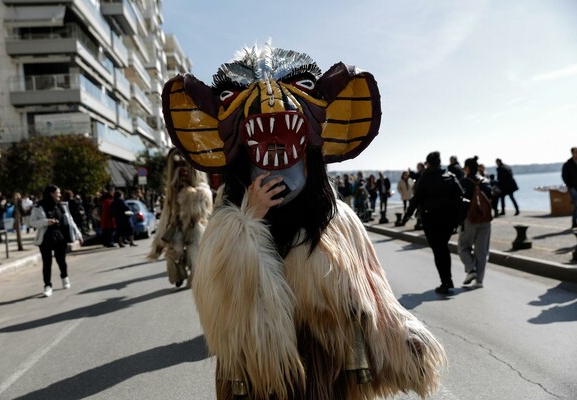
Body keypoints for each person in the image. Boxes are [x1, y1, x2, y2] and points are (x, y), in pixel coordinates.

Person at [162, 43, 445, 399]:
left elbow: (371, 285)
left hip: (329, 364)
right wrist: (249, 219)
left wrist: (398, 332)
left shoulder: (337, 219)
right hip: (258, 372)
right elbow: (219, 297)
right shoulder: (228, 218)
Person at [148, 149, 213, 287]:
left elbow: (202, 208)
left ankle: (195, 276)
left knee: (194, 250)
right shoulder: (173, 188)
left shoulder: (202, 190)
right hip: (176, 222)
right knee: (174, 250)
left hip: (194, 224)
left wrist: (190, 195)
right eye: (178, 164)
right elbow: (169, 209)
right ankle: (177, 273)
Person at [402, 151, 464, 295]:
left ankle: (446, 281)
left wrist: (406, 216)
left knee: (439, 250)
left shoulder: (425, 178)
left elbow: (416, 199)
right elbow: (460, 195)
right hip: (449, 220)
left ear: (428, 164)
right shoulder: (450, 176)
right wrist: (460, 219)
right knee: (443, 248)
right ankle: (447, 280)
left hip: (431, 220)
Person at [30, 185, 83, 297]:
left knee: (61, 260)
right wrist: (45, 222)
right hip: (45, 238)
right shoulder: (39, 206)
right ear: (51, 193)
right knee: (47, 263)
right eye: (58, 193)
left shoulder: (62, 205)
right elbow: (32, 222)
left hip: (60, 237)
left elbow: (70, 220)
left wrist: (78, 234)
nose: (60, 195)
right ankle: (47, 286)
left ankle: (64, 276)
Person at [458, 156, 492, 289]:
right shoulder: (485, 181)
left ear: (467, 168)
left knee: (463, 247)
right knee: (482, 251)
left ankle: (471, 269)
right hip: (485, 219)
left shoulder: (464, 182)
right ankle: (479, 281)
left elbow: (460, 202)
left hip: (470, 220)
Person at [562, 147, 577, 228]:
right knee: (576, 204)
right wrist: (569, 185)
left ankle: (574, 222)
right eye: (576, 152)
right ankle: (574, 222)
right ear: (572, 153)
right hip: (572, 187)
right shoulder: (568, 164)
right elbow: (564, 176)